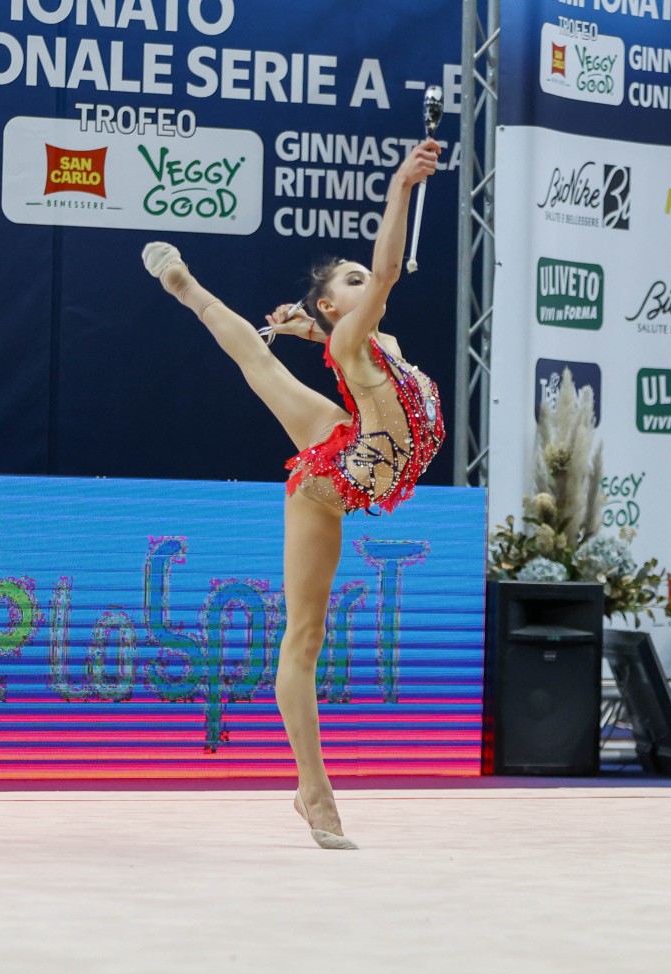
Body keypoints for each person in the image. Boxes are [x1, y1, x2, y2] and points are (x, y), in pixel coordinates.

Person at [142, 137, 445, 849]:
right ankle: (315, 791)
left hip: (353, 439)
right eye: (350, 280)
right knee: (304, 638)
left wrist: (305, 326)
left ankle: (190, 290)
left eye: (360, 275)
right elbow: (389, 271)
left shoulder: (378, 344)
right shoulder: (351, 341)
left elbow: (363, 315)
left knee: (264, 357)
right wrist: (400, 186)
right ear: (336, 305)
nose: (367, 279)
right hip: (326, 486)